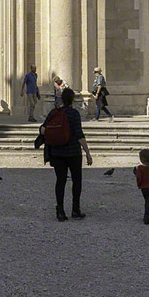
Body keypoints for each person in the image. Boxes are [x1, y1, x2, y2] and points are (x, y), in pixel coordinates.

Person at [40, 87, 92, 221]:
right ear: (72, 100)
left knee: (60, 181)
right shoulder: (74, 114)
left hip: (57, 152)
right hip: (73, 152)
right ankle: (75, 209)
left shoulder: (53, 112)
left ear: (61, 99)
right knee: (76, 181)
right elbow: (79, 134)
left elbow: (43, 129)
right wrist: (87, 152)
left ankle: (60, 210)